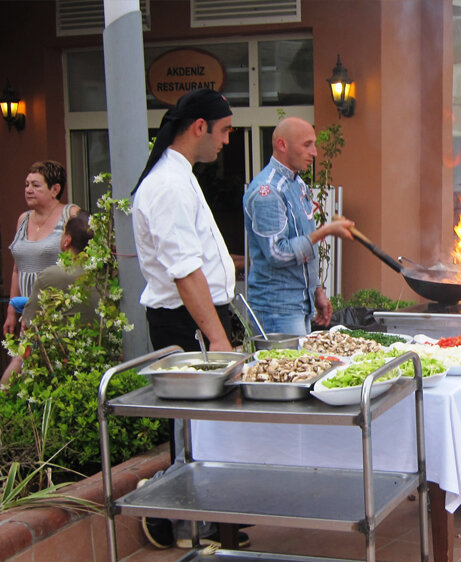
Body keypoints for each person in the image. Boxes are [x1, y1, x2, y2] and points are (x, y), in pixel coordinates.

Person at [131, 88, 247, 550]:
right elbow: (184, 272)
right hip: (187, 324)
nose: (225, 142)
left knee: (209, 430)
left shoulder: (182, 176)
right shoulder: (167, 184)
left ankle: (207, 520)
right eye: (223, 132)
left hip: (202, 316)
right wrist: (218, 339)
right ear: (199, 127)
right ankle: (180, 523)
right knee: (192, 430)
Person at [243, 116, 353, 335]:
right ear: (282, 144)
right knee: (288, 369)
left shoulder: (298, 183)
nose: (315, 153)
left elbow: (306, 246)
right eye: (307, 145)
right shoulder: (268, 191)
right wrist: (325, 231)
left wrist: (317, 290)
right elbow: (277, 253)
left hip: (298, 305)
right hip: (276, 309)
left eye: (314, 144)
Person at [2, 160, 81, 380]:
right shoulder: (23, 219)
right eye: (27, 184)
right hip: (27, 307)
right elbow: (17, 269)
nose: (28, 190)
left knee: (44, 365)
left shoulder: (70, 214)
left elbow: (83, 259)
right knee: (26, 365)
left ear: (55, 189)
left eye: (36, 185)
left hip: (57, 307)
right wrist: (11, 310)